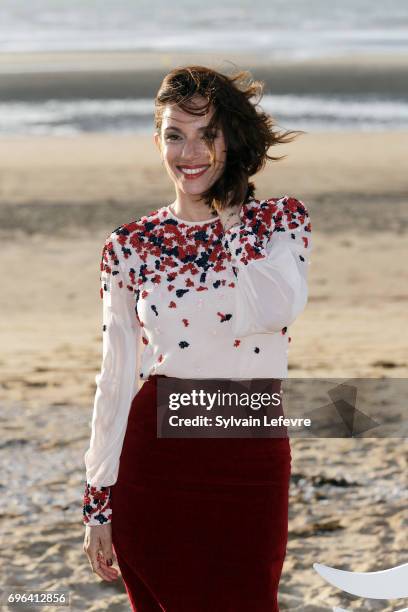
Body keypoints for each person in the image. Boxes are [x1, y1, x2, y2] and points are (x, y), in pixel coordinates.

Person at [82, 65, 312, 611]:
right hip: (154, 461)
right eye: (174, 135)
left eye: (208, 134)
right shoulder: (131, 244)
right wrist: (98, 501)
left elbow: (274, 311)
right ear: (156, 140)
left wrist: (231, 215)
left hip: (250, 455)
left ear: (230, 137)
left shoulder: (279, 221)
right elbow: (115, 376)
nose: (191, 152)